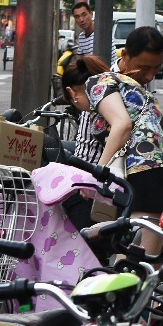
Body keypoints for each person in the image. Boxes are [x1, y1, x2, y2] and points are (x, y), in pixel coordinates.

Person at [66, 27, 163, 251]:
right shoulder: (133, 87)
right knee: (149, 265)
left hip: (147, 176)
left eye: (156, 68)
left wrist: (95, 176)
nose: (150, 76)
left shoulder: (99, 82)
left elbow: (122, 125)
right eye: (145, 67)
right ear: (125, 55)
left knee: (131, 263)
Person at [60, 54, 112, 230]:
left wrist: (92, 180)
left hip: (91, 192)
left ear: (71, 92)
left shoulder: (103, 113)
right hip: (86, 185)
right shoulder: (94, 108)